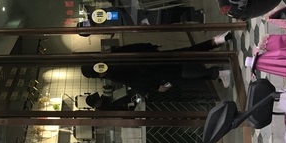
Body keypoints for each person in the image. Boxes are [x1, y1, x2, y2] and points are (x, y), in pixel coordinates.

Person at [81, 60, 230, 96]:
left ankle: (217, 73)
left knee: (181, 76)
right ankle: (215, 72)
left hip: (154, 75)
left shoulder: (112, 73)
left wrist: (150, 89)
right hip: (152, 65)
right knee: (180, 71)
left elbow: (134, 80)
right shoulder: (110, 61)